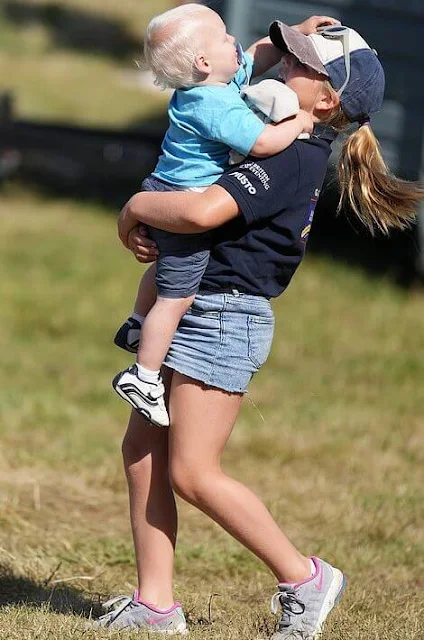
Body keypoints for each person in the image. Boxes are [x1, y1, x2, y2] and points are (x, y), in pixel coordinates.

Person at [97, 22, 424, 639]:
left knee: (193, 472)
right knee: (143, 453)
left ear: (325, 100)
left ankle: (304, 577)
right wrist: (287, 37)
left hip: (225, 316)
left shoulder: (296, 152)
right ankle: (155, 604)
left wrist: (138, 208)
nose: (282, 68)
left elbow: (201, 211)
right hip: (189, 303)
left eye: (299, 63)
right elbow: (244, 66)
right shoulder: (262, 123)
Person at [112, 4, 338, 428]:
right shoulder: (216, 106)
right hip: (185, 198)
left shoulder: (208, 84)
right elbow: (264, 144)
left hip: (163, 187)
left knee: (166, 268)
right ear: (202, 62)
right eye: (222, 37)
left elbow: (256, 53)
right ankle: (143, 376)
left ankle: (137, 322)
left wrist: (296, 31)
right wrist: (299, 123)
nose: (234, 40)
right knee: (177, 295)